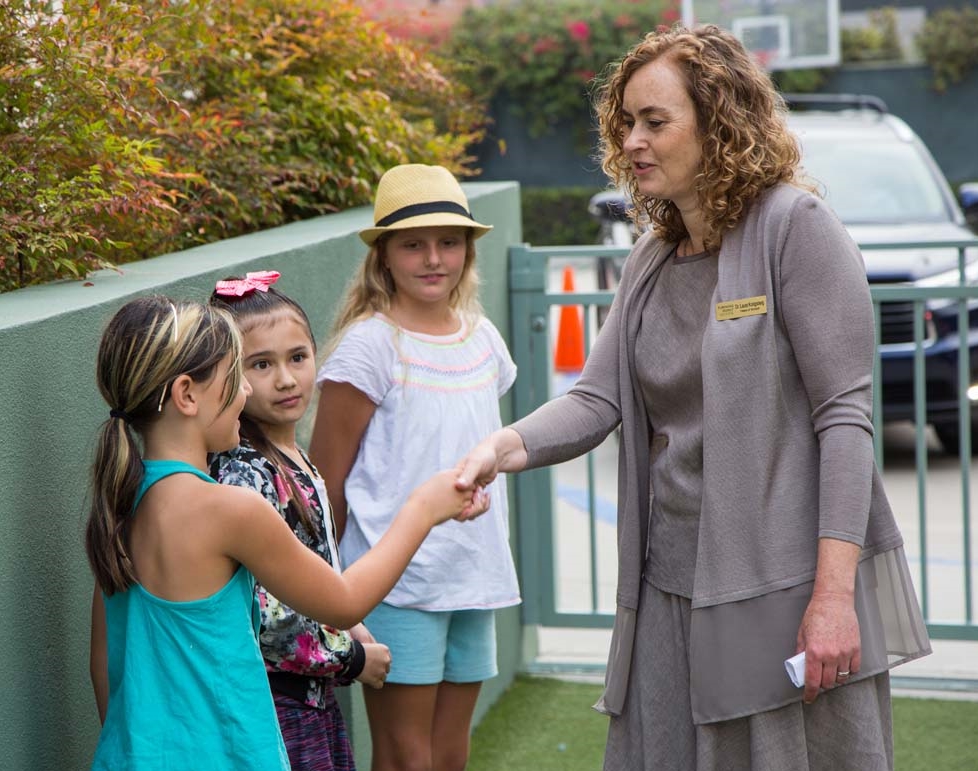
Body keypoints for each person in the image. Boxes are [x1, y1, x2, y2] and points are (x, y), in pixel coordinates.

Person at [455, 24, 931, 771]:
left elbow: (845, 420)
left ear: (719, 123)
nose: (633, 140)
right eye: (625, 123)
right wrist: (499, 447)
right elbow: (595, 399)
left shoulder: (795, 229)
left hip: (782, 590)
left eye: (655, 120)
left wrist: (834, 598)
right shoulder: (652, 254)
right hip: (667, 587)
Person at [86, 295, 488, 770]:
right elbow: (345, 600)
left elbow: (104, 665)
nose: (244, 395)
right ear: (187, 395)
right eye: (235, 379)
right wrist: (423, 509)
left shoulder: (123, 502)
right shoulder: (229, 508)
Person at [308, 163, 521, 771]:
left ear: (467, 251)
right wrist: (331, 591)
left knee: (452, 752)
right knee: (406, 755)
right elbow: (325, 484)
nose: (434, 258)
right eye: (413, 244)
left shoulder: (484, 340)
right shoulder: (369, 346)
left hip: (473, 576)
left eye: (449, 242)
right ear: (383, 257)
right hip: (393, 583)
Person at [208, 271, 388, 771]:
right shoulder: (245, 470)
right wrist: (350, 656)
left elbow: (313, 572)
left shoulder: (291, 456)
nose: (286, 379)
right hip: (277, 703)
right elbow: (270, 619)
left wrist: (350, 622)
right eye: (261, 364)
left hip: (312, 696)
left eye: (298, 357)